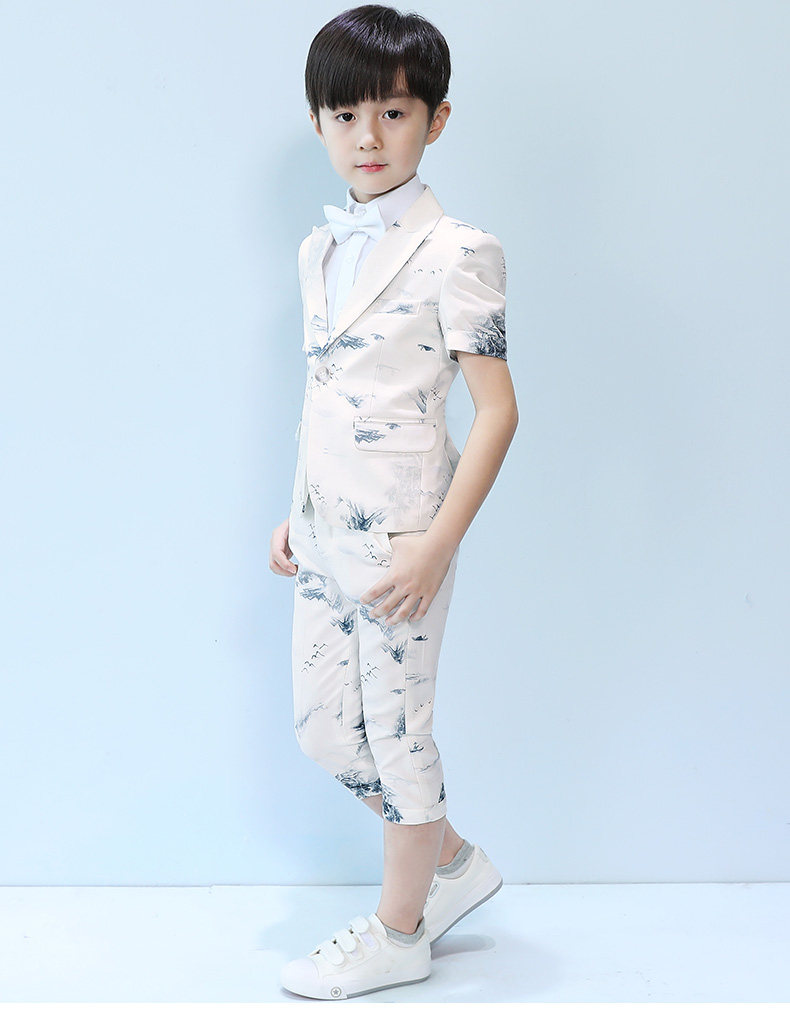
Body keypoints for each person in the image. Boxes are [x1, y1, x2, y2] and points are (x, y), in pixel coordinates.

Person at [269, 3, 519, 1000]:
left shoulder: (461, 251)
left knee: (400, 735)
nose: (367, 136)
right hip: (322, 531)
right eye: (345, 116)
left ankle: (401, 929)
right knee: (326, 731)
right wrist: (295, 506)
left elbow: (497, 412)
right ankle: (450, 860)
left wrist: (437, 545)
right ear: (318, 123)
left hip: (406, 540)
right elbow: (324, 390)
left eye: (393, 113)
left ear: (435, 120)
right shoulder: (318, 252)